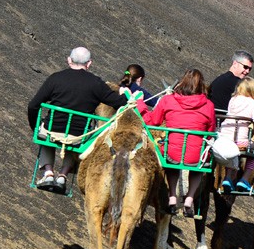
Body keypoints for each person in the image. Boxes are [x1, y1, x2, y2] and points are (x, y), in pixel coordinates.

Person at [27, 47, 128, 193]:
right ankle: (63, 175)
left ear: (69, 60)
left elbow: (33, 105)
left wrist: (34, 127)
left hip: (52, 130)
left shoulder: (55, 78)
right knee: (77, 135)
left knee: (45, 131)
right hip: (78, 136)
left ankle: (48, 173)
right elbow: (119, 102)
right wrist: (125, 94)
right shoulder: (96, 83)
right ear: (89, 64)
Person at [141, 68, 216, 217]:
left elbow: (152, 121)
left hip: (172, 152)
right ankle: (189, 199)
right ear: (201, 85)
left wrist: (140, 105)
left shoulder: (168, 100)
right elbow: (210, 131)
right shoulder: (209, 105)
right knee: (199, 166)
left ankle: (172, 196)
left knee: (173, 161)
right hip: (195, 156)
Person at [219, 77, 254, 193]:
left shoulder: (233, 100)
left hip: (225, 138)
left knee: (231, 154)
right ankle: (244, 179)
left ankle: (228, 177)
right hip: (240, 142)